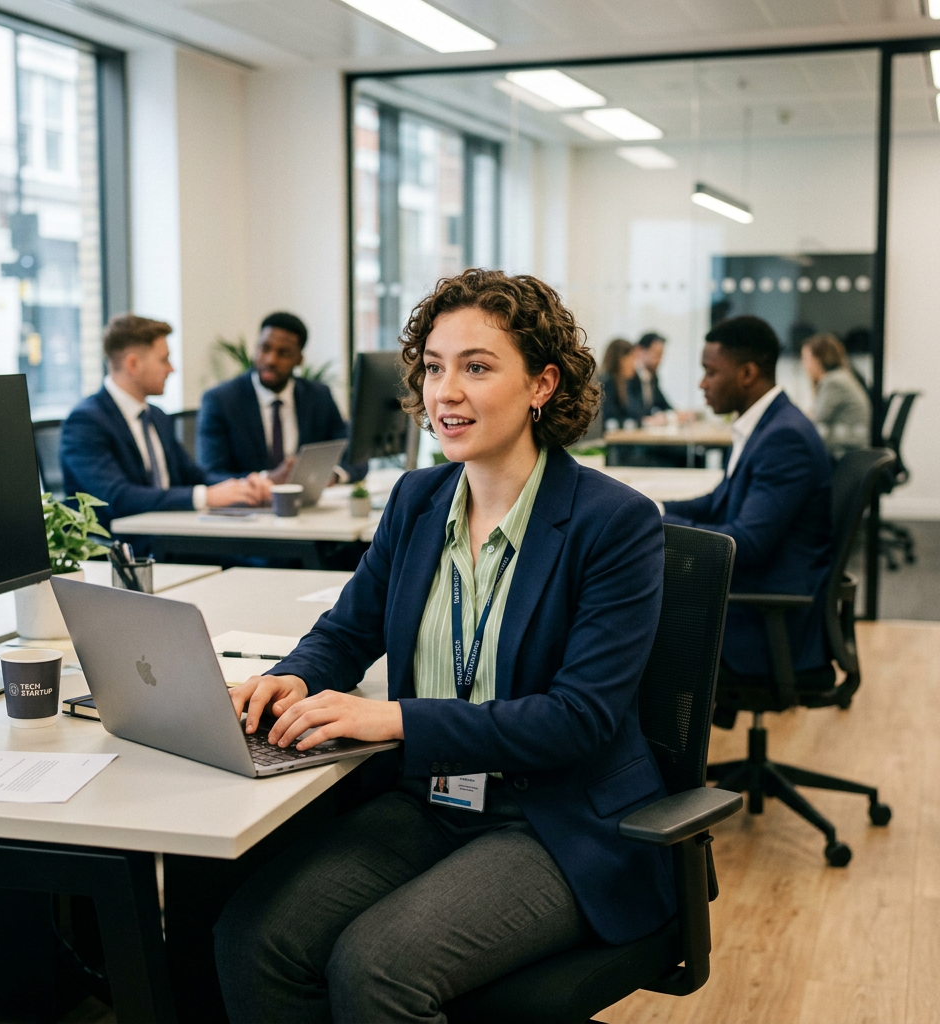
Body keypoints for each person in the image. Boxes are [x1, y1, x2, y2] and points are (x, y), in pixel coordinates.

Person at [213, 270, 675, 1023]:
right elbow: (348, 629)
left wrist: (397, 720)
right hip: (429, 798)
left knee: (376, 968)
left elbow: (578, 718)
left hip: (553, 819)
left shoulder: (613, 523)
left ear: (542, 385)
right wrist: (292, 679)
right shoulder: (418, 500)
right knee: (253, 936)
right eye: (433, 367)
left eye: (477, 366)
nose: (444, 391)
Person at [661, 316, 833, 722]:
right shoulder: (767, 425)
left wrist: (655, 529)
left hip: (764, 617)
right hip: (757, 596)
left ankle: (654, 773)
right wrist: (652, 510)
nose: (702, 384)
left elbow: (746, 544)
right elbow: (718, 501)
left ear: (747, 373)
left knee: (627, 625)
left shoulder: (783, 438)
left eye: (710, 372)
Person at [61, 315, 269, 531]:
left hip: (171, 536)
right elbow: (117, 497)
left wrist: (245, 485)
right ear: (133, 364)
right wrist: (205, 497)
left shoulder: (157, 417)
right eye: (164, 360)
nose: (172, 369)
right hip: (123, 550)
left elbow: (195, 476)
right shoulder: (86, 422)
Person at [197, 312, 364, 483]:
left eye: (283, 353)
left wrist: (333, 476)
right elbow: (211, 475)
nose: (270, 360)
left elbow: (356, 457)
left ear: (299, 359)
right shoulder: (221, 400)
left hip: (309, 504)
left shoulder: (318, 396)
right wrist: (267, 479)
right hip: (251, 506)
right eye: (265, 348)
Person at [800, 332, 871, 460]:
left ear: (818, 360)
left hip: (845, 452)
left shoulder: (833, 382)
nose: (803, 365)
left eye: (806, 358)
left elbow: (815, 419)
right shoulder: (841, 376)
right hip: (852, 448)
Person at [598, 337, 643, 428]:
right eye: (632, 358)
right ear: (621, 360)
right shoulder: (606, 383)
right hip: (611, 439)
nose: (634, 364)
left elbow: (637, 413)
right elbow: (609, 419)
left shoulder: (629, 382)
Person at [628, 331, 673, 419]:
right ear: (640, 351)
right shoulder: (629, 376)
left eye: (661, 355)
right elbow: (632, 411)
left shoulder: (653, 377)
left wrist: (676, 414)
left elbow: (663, 404)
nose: (660, 360)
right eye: (656, 354)